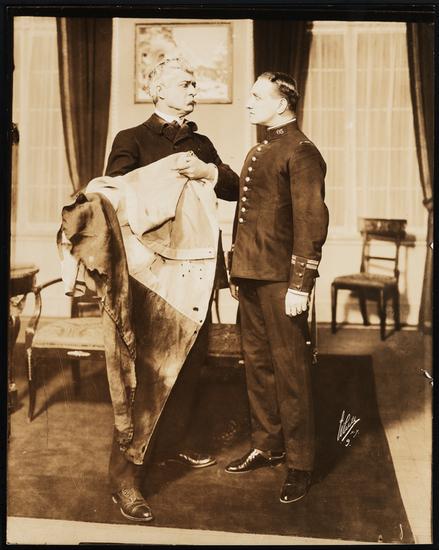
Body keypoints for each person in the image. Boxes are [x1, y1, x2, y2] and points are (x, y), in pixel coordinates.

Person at [105, 57, 239, 522]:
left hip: (197, 272)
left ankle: (173, 441)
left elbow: (232, 187)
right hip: (152, 276)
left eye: (195, 84)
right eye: (185, 84)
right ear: (158, 90)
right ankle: (124, 479)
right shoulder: (131, 138)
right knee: (146, 375)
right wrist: (169, 172)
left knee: (190, 363)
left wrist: (207, 172)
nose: (193, 91)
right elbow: (114, 195)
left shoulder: (201, 142)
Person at [225, 71, 329, 504]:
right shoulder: (260, 149)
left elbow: (310, 221)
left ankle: (301, 463)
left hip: (281, 282)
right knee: (257, 364)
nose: (248, 102)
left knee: (290, 370)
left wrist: (300, 285)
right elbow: (248, 218)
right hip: (252, 276)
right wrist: (237, 271)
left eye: (256, 95)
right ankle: (268, 445)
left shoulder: (301, 152)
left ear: (282, 103)